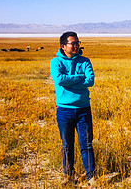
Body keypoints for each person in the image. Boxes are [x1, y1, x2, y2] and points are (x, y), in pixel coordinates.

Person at [50, 31, 96, 184]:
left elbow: (90, 81)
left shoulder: (85, 61)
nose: (76, 45)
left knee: (87, 144)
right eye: (73, 43)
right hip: (64, 110)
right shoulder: (56, 62)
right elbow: (60, 79)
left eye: (78, 43)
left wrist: (71, 80)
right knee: (67, 144)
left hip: (83, 109)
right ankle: (69, 175)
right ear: (63, 46)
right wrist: (79, 77)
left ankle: (91, 176)